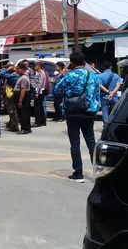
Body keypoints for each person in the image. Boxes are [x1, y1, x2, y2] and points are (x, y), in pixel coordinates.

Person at [55, 51, 101, 183]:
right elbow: (96, 96)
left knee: (75, 143)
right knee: (91, 142)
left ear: (72, 63)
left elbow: (57, 89)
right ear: (84, 62)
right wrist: (94, 109)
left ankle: (78, 173)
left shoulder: (70, 75)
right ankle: (99, 173)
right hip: (88, 112)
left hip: (73, 112)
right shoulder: (93, 76)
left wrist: (63, 73)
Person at [98, 60, 122, 125]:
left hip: (104, 97)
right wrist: (112, 93)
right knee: (113, 113)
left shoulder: (100, 76)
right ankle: (111, 126)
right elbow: (118, 85)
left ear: (103, 67)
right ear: (111, 67)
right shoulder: (116, 76)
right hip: (114, 97)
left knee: (105, 112)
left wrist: (108, 92)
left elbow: (100, 85)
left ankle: (106, 126)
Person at [0, 64, 19, 132]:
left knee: (12, 110)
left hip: (11, 95)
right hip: (11, 94)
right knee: (11, 110)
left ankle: (14, 126)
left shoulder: (13, 75)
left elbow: (1, 74)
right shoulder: (14, 74)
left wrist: (6, 70)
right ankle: (12, 123)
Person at [14, 62, 32, 134]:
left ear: (22, 69)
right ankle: (27, 128)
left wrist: (20, 101)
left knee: (23, 113)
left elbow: (23, 89)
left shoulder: (24, 78)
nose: (17, 70)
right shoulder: (22, 76)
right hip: (22, 97)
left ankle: (25, 128)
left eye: (18, 69)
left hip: (23, 98)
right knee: (23, 113)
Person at [31, 61, 47, 127]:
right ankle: (42, 121)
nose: (34, 67)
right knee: (39, 107)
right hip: (39, 91)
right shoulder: (39, 73)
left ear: (39, 66)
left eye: (35, 66)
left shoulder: (40, 73)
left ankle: (38, 122)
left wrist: (37, 92)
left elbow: (40, 84)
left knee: (37, 107)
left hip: (39, 91)